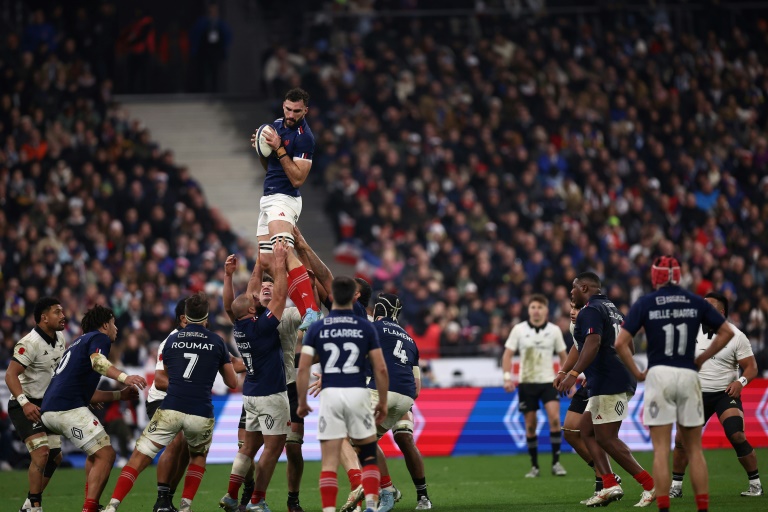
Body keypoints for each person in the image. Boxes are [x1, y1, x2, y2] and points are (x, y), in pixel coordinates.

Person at [615, 257, 735, 512]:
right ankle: (702, 508)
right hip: (688, 374)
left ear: (655, 277)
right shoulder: (694, 301)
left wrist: (637, 372)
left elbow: (620, 343)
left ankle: (664, 508)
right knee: (695, 449)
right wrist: (701, 358)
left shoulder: (646, 303)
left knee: (661, 449)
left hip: (659, 374)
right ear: (679, 276)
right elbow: (727, 332)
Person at [104, 292, 238, 512]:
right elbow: (232, 382)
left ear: (186, 316)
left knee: (141, 455)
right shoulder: (217, 341)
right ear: (206, 317)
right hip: (199, 409)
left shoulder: (171, 341)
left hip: (172, 405)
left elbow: (163, 375)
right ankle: (183, 506)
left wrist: (182, 386)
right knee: (195, 454)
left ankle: (113, 505)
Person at [555, 272, 655, 508]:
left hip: (610, 380)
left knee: (608, 439)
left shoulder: (590, 310)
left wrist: (572, 374)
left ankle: (650, 484)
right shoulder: (613, 309)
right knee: (586, 431)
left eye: (574, 289)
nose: (571, 293)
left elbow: (591, 343)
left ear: (585, 287)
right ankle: (609, 483)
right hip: (610, 378)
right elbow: (627, 343)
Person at [40, 305, 147, 512]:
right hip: (66, 408)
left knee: (94, 453)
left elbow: (87, 394)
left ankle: (89, 505)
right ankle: (89, 509)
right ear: (106, 324)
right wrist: (125, 377)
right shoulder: (100, 338)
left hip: (52, 408)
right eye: (114, 323)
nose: (116, 328)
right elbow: (98, 363)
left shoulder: (77, 343)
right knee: (107, 455)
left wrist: (119, 394)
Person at [223, 251, 307, 512]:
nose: (261, 289)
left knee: (250, 447)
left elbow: (235, 303)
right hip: (273, 392)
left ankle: (231, 495)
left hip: (253, 391)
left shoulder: (242, 324)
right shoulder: (263, 324)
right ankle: (257, 500)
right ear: (253, 304)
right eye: (260, 289)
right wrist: (280, 265)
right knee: (274, 446)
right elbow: (277, 298)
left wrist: (256, 264)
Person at [296, 276, 389, 512]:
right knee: (368, 454)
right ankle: (370, 506)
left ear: (333, 296)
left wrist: (302, 401)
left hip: (331, 396)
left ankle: (328, 510)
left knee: (329, 460)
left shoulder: (317, 327)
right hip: (358, 393)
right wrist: (383, 403)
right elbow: (380, 367)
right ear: (353, 297)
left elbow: (304, 366)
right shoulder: (366, 326)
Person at [669, 293, 762, 498]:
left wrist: (740, 382)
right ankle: (676, 487)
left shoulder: (737, 336)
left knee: (736, 434)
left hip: (724, 393)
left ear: (720, 313)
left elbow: (752, 368)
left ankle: (755, 484)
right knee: (681, 440)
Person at [252, 87, 320, 331]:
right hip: (268, 198)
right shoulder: (277, 125)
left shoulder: (305, 137)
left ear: (305, 111)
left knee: (282, 249)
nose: (291, 115)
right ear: (283, 106)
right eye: (288, 109)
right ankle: (305, 302)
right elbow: (269, 165)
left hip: (286, 198)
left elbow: (298, 179)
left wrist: (279, 148)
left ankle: (310, 309)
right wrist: (262, 149)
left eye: (297, 111)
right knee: (268, 260)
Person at [367, 293, 432, 511]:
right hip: (405, 395)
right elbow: (417, 386)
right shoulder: (409, 338)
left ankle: (387, 490)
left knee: (361, 441)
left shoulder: (371, 327)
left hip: (381, 390)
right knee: (403, 439)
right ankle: (420, 496)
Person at [5, 297, 66, 512]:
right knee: (41, 453)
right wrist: (24, 403)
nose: (63, 316)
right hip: (25, 404)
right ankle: (36, 507)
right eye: (57, 312)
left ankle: (28, 505)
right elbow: (11, 375)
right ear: (44, 318)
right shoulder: (29, 343)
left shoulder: (60, 338)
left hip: (47, 404)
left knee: (55, 456)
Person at [559, 302, 621, 503]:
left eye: (576, 309)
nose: (572, 312)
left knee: (597, 434)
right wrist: (563, 371)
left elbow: (606, 346)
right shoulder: (575, 324)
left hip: (605, 381)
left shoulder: (596, 317)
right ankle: (607, 476)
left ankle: (606, 485)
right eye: (571, 308)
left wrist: (579, 373)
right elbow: (579, 348)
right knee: (570, 431)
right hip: (591, 379)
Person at [502, 294, 568, 478]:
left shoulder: (554, 330)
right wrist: (507, 378)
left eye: (540, 307)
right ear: (528, 310)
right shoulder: (519, 330)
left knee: (555, 419)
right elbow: (507, 355)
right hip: (527, 382)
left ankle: (556, 463)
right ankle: (535, 466)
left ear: (546, 310)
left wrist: (569, 378)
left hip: (548, 381)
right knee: (530, 425)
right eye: (533, 307)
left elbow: (565, 357)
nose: (536, 310)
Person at [146, 298, 190, 512]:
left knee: (188, 449)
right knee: (177, 441)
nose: (205, 320)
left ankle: (168, 499)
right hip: (161, 399)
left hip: (184, 400)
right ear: (183, 319)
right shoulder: (171, 342)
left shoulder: (205, 341)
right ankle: (161, 501)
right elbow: (160, 381)